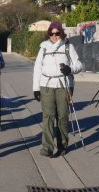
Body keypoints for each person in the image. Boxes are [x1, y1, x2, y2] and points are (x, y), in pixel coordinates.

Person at [33, 21, 83, 157]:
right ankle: (47, 147)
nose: (54, 36)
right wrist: (36, 88)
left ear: (61, 33)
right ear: (48, 34)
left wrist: (70, 69)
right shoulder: (43, 48)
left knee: (62, 116)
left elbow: (79, 65)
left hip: (64, 84)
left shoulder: (68, 46)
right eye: (51, 33)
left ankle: (62, 145)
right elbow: (37, 68)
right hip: (46, 85)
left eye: (57, 33)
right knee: (48, 116)